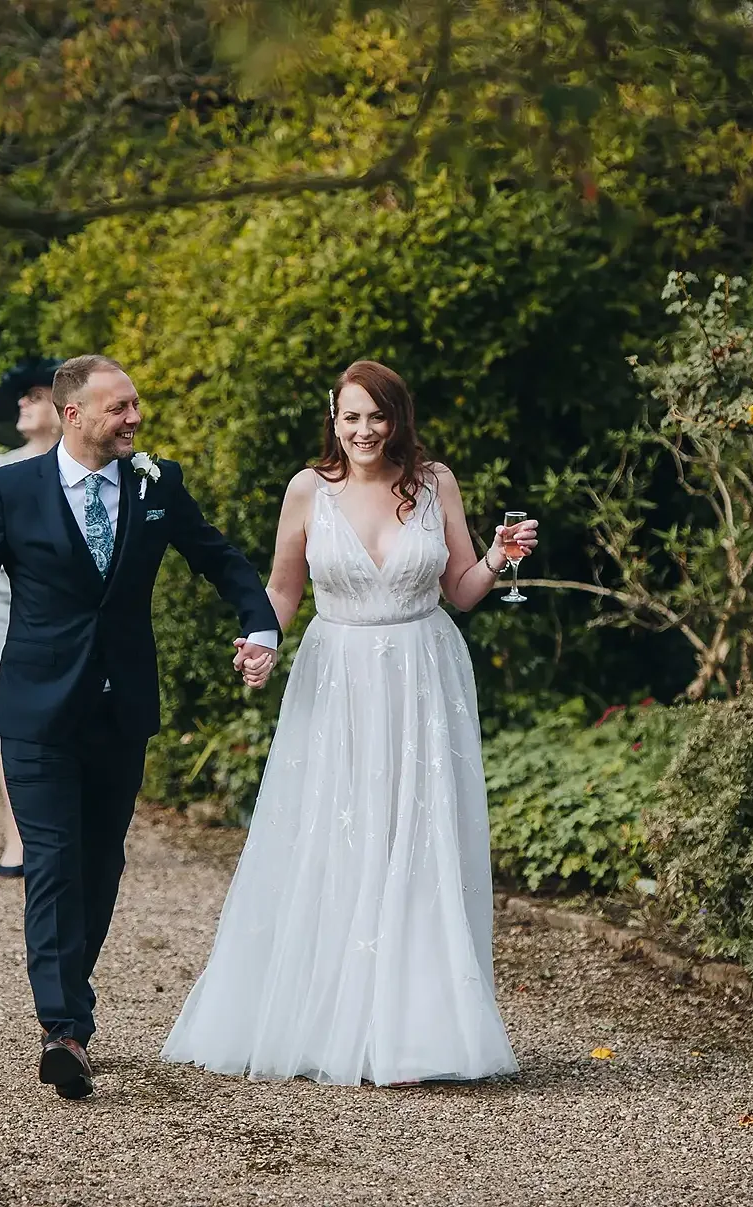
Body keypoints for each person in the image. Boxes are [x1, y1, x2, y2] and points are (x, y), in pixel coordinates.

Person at [161, 360, 538, 1086]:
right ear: (334, 419)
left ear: (398, 418)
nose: (363, 431)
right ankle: (328, 1017)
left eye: (376, 417)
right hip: (335, 678)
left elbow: (461, 591)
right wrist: (258, 639)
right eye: (350, 417)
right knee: (336, 834)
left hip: (423, 677)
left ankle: (418, 1028)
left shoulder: (436, 483)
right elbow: (281, 587)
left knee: (415, 836)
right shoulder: (309, 489)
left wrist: (498, 555)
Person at [0, 354, 281, 1100]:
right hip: (35, 709)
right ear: (74, 415)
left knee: (100, 861)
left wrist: (261, 624)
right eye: (119, 407)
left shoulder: (157, 483)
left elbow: (216, 556)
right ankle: (63, 1027)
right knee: (53, 858)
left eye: (135, 405)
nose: (134, 418)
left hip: (121, 708)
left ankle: (70, 1008)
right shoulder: (10, 488)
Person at [0, 361, 64, 877]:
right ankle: (17, 835)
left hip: (72, 614)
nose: (23, 405)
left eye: (35, 396)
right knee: (12, 722)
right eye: (22, 399)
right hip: (8, 610)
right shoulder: (1, 468)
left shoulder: (89, 466)